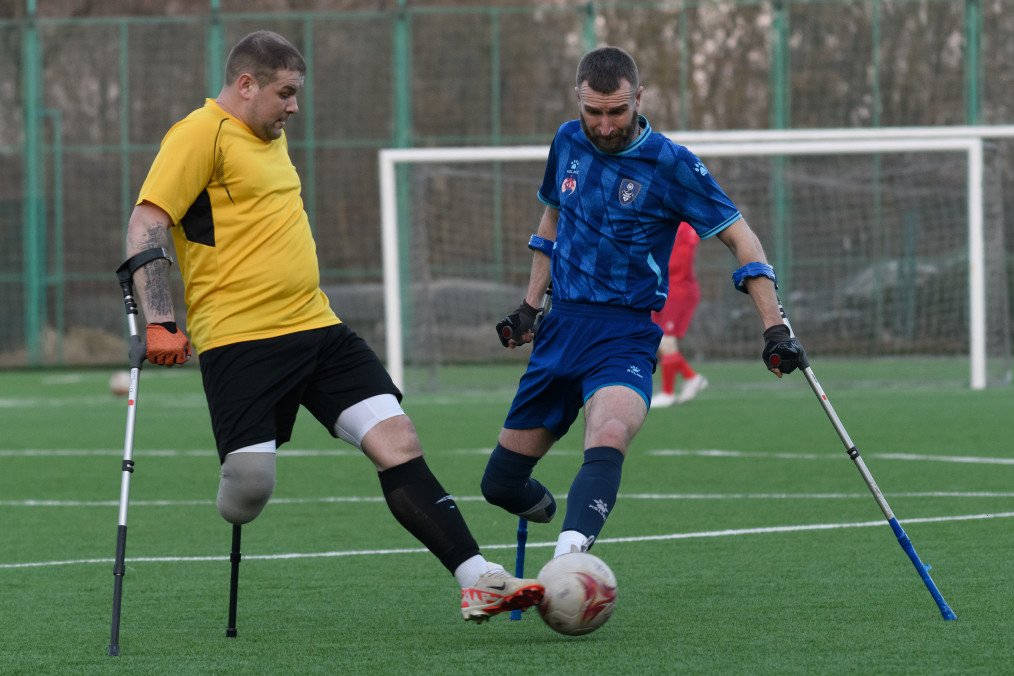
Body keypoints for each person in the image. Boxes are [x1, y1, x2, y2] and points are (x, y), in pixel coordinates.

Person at [121, 30, 542, 623]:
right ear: (246, 86)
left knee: (398, 441)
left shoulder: (272, 136)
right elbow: (146, 223)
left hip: (319, 329)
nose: (295, 106)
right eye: (285, 93)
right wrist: (160, 320)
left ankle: (478, 578)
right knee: (249, 489)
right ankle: (236, 495)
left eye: (298, 94)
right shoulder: (199, 134)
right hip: (241, 340)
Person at [484, 46, 805, 558]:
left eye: (618, 112)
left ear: (639, 98)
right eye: (594, 112)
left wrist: (774, 328)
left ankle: (570, 559)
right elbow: (551, 222)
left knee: (609, 431)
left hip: (624, 332)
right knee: (499, 484)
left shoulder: (673, 164)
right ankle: (546, 512)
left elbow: (743, 240)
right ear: (578, 101)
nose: (606, 126)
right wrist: (529, 307)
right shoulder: (567, 141)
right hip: (561, 326)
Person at [650, 224, 707, 408]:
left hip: (679, 289)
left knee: (667, 340)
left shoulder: (682, 226)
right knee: (656, 337)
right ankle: (691, 377)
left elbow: (677, 263)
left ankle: (668, 392)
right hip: (664, 288)